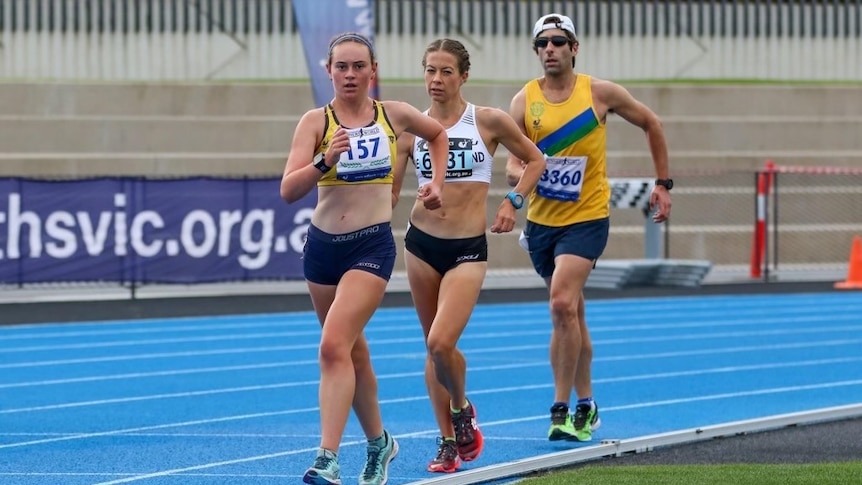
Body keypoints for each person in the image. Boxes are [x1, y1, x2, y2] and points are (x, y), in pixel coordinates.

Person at [280, 32, 449, 485]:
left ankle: (327, 459)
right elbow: (288, 190)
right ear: (329, 71)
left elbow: (438, 135)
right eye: (342, 67)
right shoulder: (316, 122)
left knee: (333, 345)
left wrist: (435, 182)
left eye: (359, 66)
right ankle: (380, 444)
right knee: (351, 353)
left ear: (373, 71)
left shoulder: (392, 115)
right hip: (321, 250)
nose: (350, 75)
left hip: (371, 246)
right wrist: (322, 161)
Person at [506, 13, 672, 443]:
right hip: (542, 221)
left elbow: (652, 122)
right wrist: (516, 176)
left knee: (561, 305)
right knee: (573, 312)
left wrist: (662, 183)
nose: (550, 50)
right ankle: (588, 403)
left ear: (574, 48)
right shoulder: (524, 100)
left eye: (559, 42)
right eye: (542, 43)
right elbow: (511, 159)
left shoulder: (599, 93)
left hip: (587, 218)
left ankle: (560, 410)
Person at [392, 38, 546, 473]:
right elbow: (388, 194)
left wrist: (511, 202)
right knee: (431, 348)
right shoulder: (411, 130)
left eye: (445, 72)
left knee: (443, 343)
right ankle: (446, 442)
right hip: (421, 243)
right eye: (429, 71)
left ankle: (461, 409)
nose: (436, 80)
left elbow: (535, 160)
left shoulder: (489, 121)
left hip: (466, 249)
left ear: (463, 76)